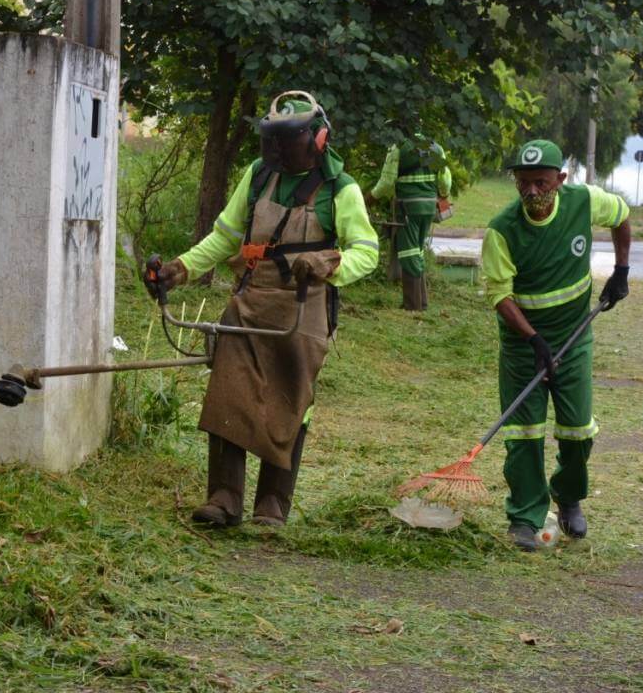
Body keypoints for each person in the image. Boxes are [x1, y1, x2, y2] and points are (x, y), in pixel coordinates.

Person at [143, 91, 378, 527]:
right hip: (251, 299)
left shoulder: (340, 189)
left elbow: (367, 251)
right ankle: (224, 497)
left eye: (286, 142)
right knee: (228, 389)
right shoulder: (257, 176)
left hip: (304, 307)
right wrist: (183, 268)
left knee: (292, 399)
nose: (277, 152)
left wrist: (329, 263)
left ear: (317, 139)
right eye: (272, 142)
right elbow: (226, 236)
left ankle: (272, 503)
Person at [480, 139, 631, 552]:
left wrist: (621, 269)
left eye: (541, 182)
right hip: (522, 345)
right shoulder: (502, 230)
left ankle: (568, 496)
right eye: (523, 183)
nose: (531, 191)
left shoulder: (583, 201)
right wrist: (533, 339)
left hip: (574, 337)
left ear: (560, 180)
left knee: (578, 429)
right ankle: (525, 518)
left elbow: (621, 216)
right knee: (524, 433)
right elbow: (501, 297)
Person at [370, 129, 452, 310]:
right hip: (429, 207)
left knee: (408, 253)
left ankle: (412, 305)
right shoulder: (434, 148)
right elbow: (445, 181)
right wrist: (443, 196)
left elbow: (386, 182)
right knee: (418, 251)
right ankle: (422, 302)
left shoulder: (398, 147)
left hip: (408, 207)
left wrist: (369, 198)